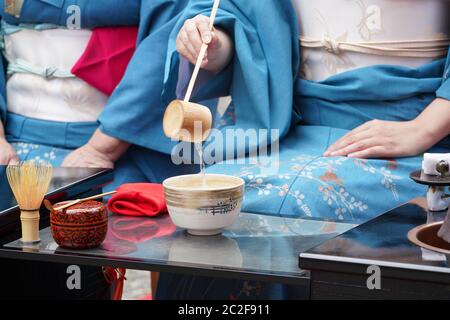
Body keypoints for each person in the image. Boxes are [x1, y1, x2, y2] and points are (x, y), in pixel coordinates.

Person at [154, 0, 450, 299]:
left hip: (416, 127)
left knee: (309, 199)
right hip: (289, 122)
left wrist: (422, 129)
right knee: (214, 199)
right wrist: (215, 44)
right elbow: (245, 18)